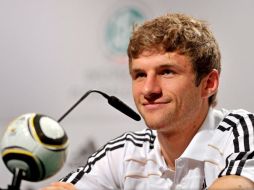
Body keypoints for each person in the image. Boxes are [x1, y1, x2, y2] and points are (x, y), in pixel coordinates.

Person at [41, 13, 254, 190]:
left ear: (209, 83)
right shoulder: (124, 152)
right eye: (140, 75)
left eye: (167, 72)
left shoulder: (241, 132)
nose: (148, 89)